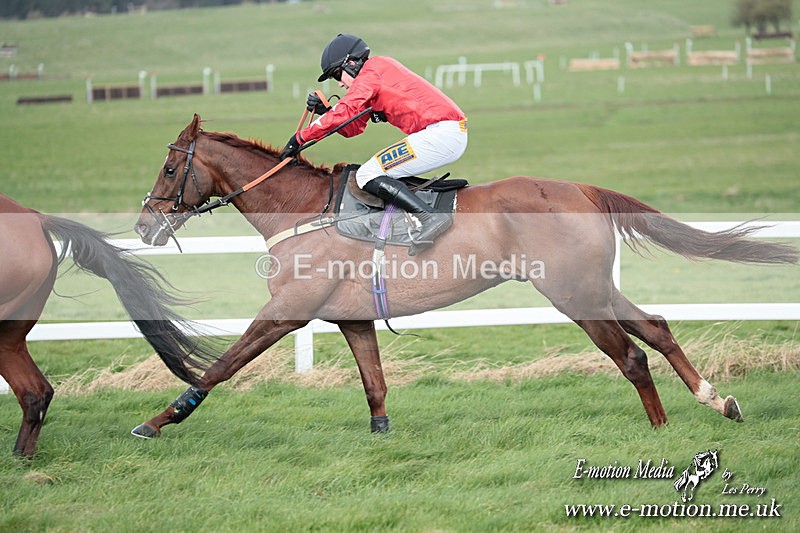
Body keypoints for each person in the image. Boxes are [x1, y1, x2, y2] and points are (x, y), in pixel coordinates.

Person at [282, 33, 468, 255]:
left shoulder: (373, 70)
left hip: (441, 134)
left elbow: (347, 110)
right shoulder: (372, 77)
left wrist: (301, 137)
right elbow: (353, 127)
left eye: (337, 75)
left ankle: (429, 218)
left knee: (367, 174)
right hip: (441, 134)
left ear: (351, 63)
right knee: (373, 172)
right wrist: (327, 112)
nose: (340, 84)